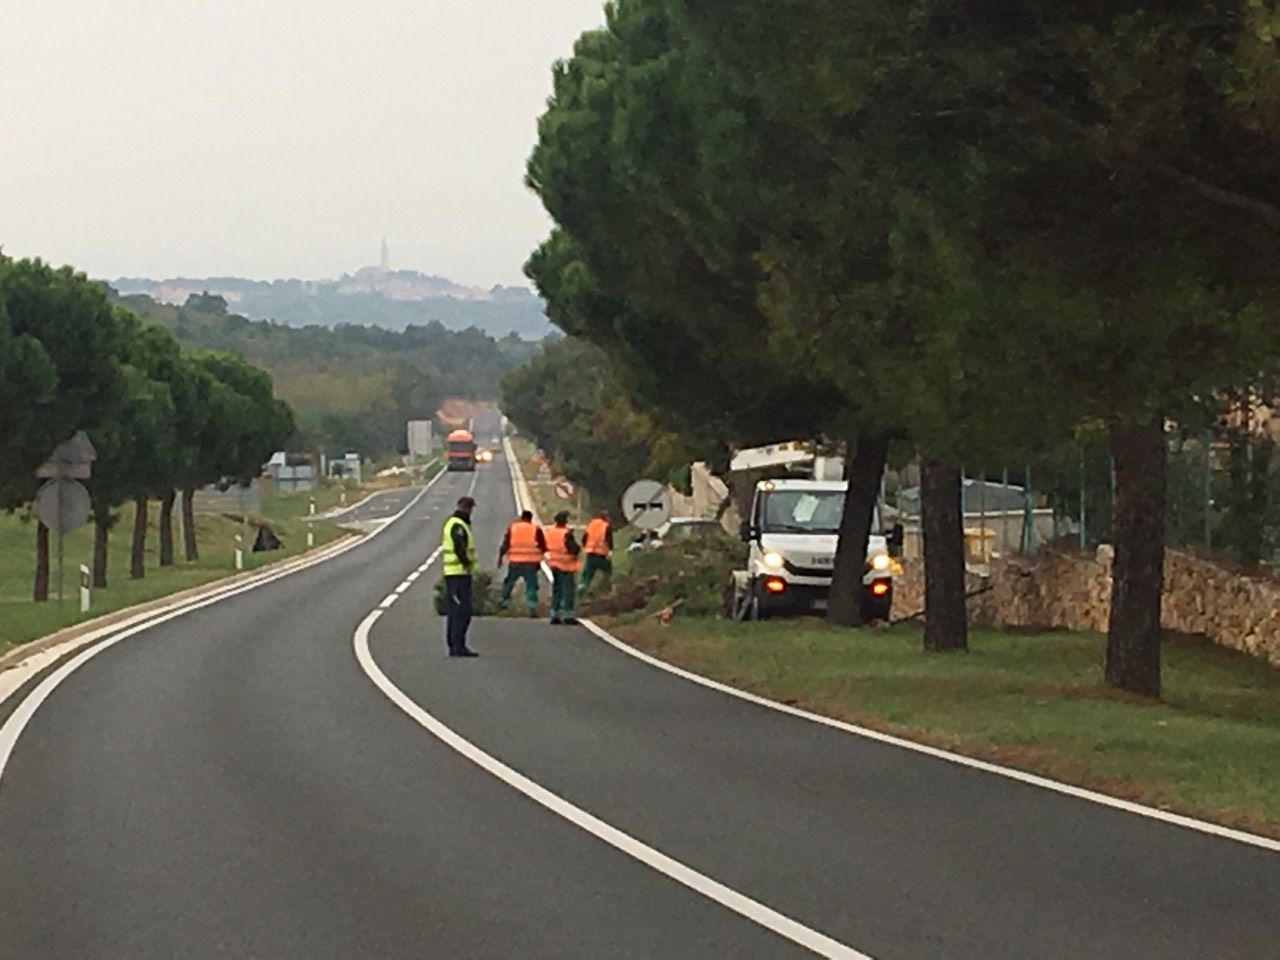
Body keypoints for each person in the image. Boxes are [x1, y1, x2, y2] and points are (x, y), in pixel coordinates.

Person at [441, 496, 479, 657]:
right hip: (457, 574)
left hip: (458, 574)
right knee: (460, 612)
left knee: (457, 611)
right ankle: (457, 646)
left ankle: (456, 645)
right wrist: (467, 564)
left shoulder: (458, 523)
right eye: (469, 508)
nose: (470, 512)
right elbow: (460, 548)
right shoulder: (457, 525)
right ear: (465, 508)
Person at [498, 509, 546, 617]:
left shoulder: (513, 528)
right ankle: (532, 606)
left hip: (515, 561)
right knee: (531, 585)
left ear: (521, 518)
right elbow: (543, 547)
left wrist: (500, 558)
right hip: (530, 563)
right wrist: (540, 560)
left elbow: (505, 544)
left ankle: (502, 601)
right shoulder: (536, 529)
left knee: (509, 582)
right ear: (531, 519)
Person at [545, 510, 581, 625]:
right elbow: (573, 549)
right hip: (566, 565)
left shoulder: (550, 532)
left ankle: (555, 613)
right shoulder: (566, 534)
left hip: (554, 564)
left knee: (557, 590)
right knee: (568, 591)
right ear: (565, 521)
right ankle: (568, 615)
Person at [580, 509, 614, 591]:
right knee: (608, 570)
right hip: (601, 554)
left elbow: (584, 538)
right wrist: (610, 550)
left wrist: (586, 547)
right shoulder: (606, 526)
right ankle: (607, 587)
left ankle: (582, 588)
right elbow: (608, 539)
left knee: (587, 573)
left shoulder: (591, 524)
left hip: (590, 553)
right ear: (606, 517)